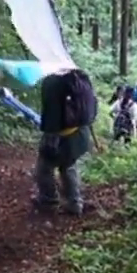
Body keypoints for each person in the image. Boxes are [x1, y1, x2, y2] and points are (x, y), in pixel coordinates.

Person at [33, 68, 98, 216]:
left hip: (61, 136)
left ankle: (49, 201)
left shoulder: (53, 82)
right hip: (80, 133)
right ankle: (74, 203)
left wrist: (49, 138)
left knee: (43, 169)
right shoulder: (79, 77)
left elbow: (52, 116)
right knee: (68, 167)